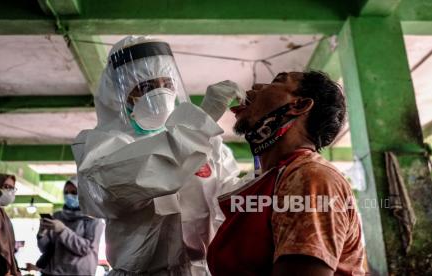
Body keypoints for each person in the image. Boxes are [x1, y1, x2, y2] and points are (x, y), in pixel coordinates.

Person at [72, 35, 242, 275]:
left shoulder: (207, 142)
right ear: (119, 96)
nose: (160, 94)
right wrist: (198, 125)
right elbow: (136, 178)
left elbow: (232, 195)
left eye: (167, 84)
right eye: (145, 87)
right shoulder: (100, 147)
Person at [207, 71, 367, 275]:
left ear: (299, 105)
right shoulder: (278, 177)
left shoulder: (311, 177)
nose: (254, 88)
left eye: (276, 81)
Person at [35, 177, 104, 276]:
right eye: (66, 192)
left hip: (77, 272)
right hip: (51, 272)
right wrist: (42, 235)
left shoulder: (93, 220)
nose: (69, 195)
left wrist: (63, 230)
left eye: (74, 192)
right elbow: (44, 249)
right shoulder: (57, 216)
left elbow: (85, 249)